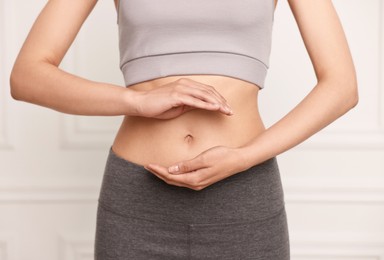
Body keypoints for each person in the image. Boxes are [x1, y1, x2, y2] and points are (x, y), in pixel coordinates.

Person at [10, 0, 358, 259]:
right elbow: (27, 75)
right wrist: (136, 101)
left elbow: (341, 87)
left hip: (243, 197)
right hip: (138, 202)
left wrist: (244, 157)